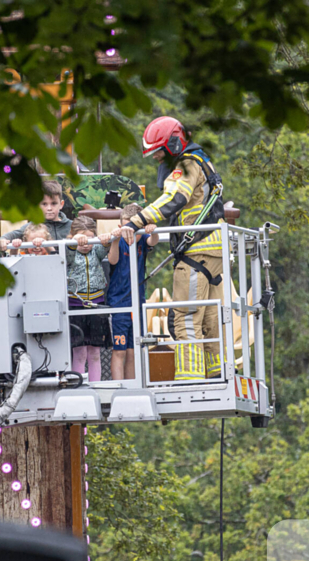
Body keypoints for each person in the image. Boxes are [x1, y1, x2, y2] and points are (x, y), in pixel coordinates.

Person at [126, 116, 226, 381]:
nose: (157, 158)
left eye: (158, 152)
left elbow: (174, 198)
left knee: (185, 318)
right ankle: (218, 373)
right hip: (214, 251)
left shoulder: (185, 165)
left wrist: (137, 220)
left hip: (195, 254)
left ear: (172, 144)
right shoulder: (202, 160)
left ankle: (190, 378)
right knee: (210, 319)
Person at [107, 203, 157, 380]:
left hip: (138, 302)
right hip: (119, 303)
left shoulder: (143, 237)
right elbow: (112, 261)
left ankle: (132, 386)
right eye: (125, 228)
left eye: (133, 228)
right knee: (119, 351)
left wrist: (153, 229)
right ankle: (118, 388)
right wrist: (114, 239)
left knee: (133, 350)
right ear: (120, 227)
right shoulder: (119, 241)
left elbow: (153, 241)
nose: (129, 233)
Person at [65, 215, 114, 382]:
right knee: (79, 352)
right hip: (75, 304)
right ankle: (76, 386)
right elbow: (67, 255)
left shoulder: (96, 250)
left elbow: (105, 246)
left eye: (90, 239)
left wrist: (106, 239)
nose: (86, 244)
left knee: (95, 352)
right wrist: (73, 243)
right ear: (72, 237)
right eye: (82, 240)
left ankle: (96, 386)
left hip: (96, 303)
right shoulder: (69, 251)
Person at [0, 180, 73, 251]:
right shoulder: (33, 226)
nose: (49, 208)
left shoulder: (72, 226)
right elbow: (13, 234)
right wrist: (3, 239)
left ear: (61, 204)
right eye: (44, 204)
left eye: (53, 203)